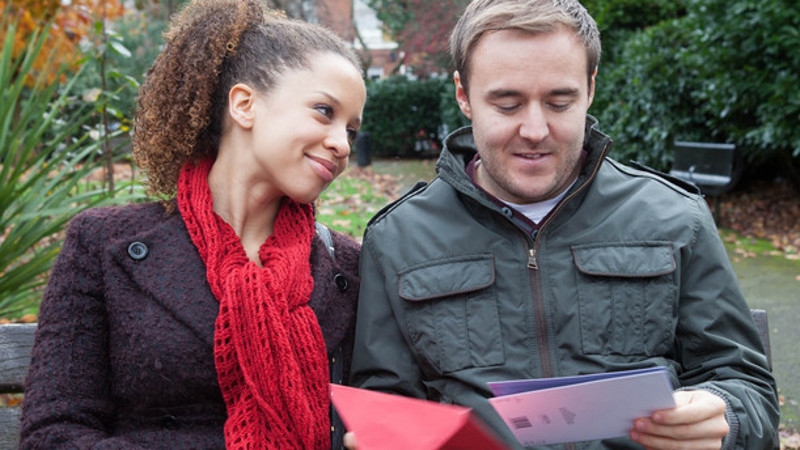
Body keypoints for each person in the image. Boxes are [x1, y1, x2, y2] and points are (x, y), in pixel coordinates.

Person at [349, 0, 779, 449]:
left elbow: (747, 389)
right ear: (463, 95)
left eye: (559, 101)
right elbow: (385, 402)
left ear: (590, 88)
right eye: (508, 104)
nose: (535, 130)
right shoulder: (398, 239)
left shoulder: (674, 218)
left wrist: (724, 415)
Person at [19, 0, 366, 448]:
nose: (341, 144)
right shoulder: (102, 245)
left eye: (352, 130)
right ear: (244, 105)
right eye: (325, 111)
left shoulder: (348, 267)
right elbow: (53, 434)